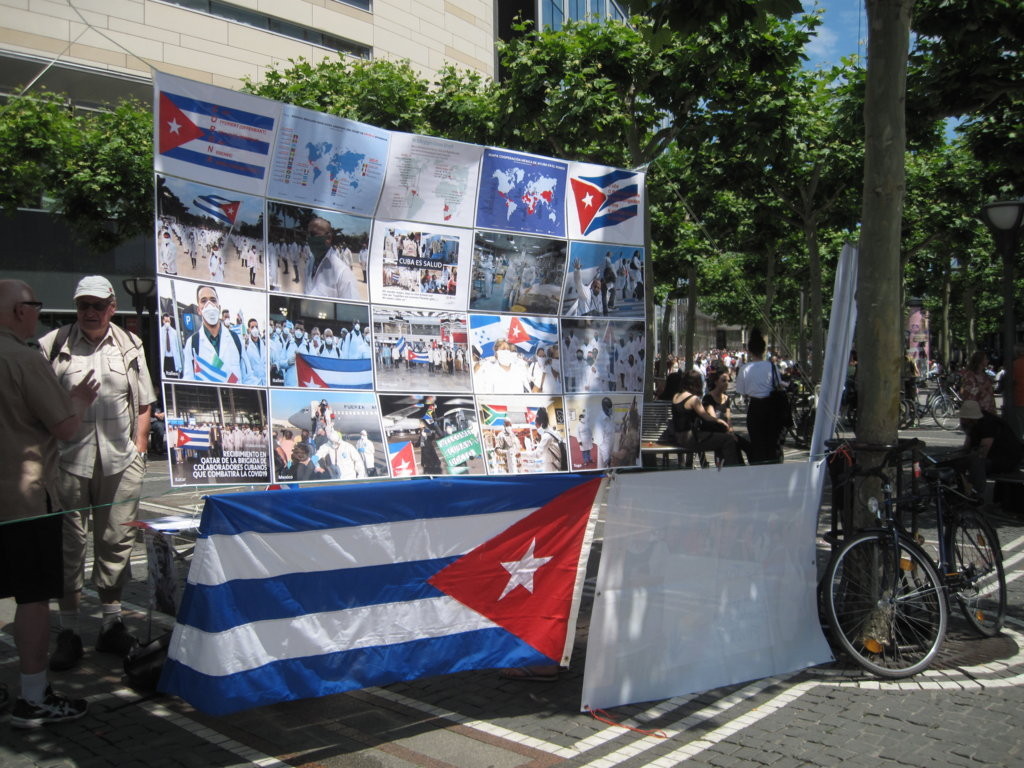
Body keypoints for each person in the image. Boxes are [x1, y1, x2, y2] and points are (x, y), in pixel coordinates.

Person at [39, 275, 157, 671]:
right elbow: (35, 405)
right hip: (68, 462)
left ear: (111, 307)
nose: (89, 312)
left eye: (97, 305)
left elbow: (143, 403)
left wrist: (140, 447)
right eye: (82, 305)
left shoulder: (130, 344)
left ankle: (111, 624)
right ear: (76, 308)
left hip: (119, 463)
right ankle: (69, 631)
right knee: (67, 546)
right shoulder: (52, 346)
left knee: (116, 542)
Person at [0, 279, 99, 728]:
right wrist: (77, 400)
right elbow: (64, 426)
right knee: (34, 597)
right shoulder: (23, 357)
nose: (39, 314)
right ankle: (33, 696)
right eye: (35, 305)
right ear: (21, 311)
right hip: (24, 499)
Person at [734, 329, 785, 464]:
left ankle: (758, 465)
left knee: (757, 441)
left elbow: (742, 391)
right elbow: (778, 385)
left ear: (749, 351)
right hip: (771, 407)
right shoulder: (771, 366)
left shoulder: (745, 368)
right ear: (764, 350)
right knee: (771, 441)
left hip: (755, 407)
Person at [672, 371, 742, 467]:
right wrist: (720, 421)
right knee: (728, 440)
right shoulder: (693, 399)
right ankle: (732, 471)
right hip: (690, 439)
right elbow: (706, 417)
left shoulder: (676, 396)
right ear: (696, 383)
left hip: (678, 437)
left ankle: (721, 468)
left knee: (718, 438)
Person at [955, 400, 1023, 497]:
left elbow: (983, 452)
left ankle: (975, 493)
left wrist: (967, 457)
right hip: (995, 456)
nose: (961, 420)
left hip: (1007, 459)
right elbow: (966, 446)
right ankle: (959, 491)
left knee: (976, 462)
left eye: (963, 418)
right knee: (959, 462)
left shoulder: (988, 424)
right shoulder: (972, 424)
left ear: (970, 417)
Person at [182, 285, 248, 384]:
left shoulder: (235, 339)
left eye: (213, 300)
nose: (209, 305)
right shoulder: (192, 343)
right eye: (204, 301)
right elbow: (188, 381)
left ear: (219, 307)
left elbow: (248, 377)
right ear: (199, 310)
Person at [702, 368, 750, 464]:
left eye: (728, 381)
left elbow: (728, 418)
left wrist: (731, 431)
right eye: (723, 381)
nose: (726, 383)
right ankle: (735, 468)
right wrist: (729, 433)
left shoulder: (726, 398)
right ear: (716, 382)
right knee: (732, 442)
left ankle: (745, 468)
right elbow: (714, 419)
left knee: (746, 445)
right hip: (713, 431)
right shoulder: (708, 398)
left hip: (725, 430)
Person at [305, 216, 359, 299]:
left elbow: (351, 309)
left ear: (328, 238)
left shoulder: (343, 273)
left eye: (313, 234)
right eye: (308, 234)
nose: (309, 239)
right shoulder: (310, 263)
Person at [959, 350, 997, 416]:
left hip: (988, 409)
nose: (987, 361)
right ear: (980, 361)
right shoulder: (970, 375)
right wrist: (983, 387)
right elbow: (969, 391)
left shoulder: (984, 374)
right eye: (985, 359)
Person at [158, 313, 183, 378]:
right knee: (166, 375)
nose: (167, 323)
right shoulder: (160, 332)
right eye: (166, 321)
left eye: (168, 321)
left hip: (173, 358)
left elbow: (178, 347)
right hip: (165, 358)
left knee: (173, 376)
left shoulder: (174, 332)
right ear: (163, 321)